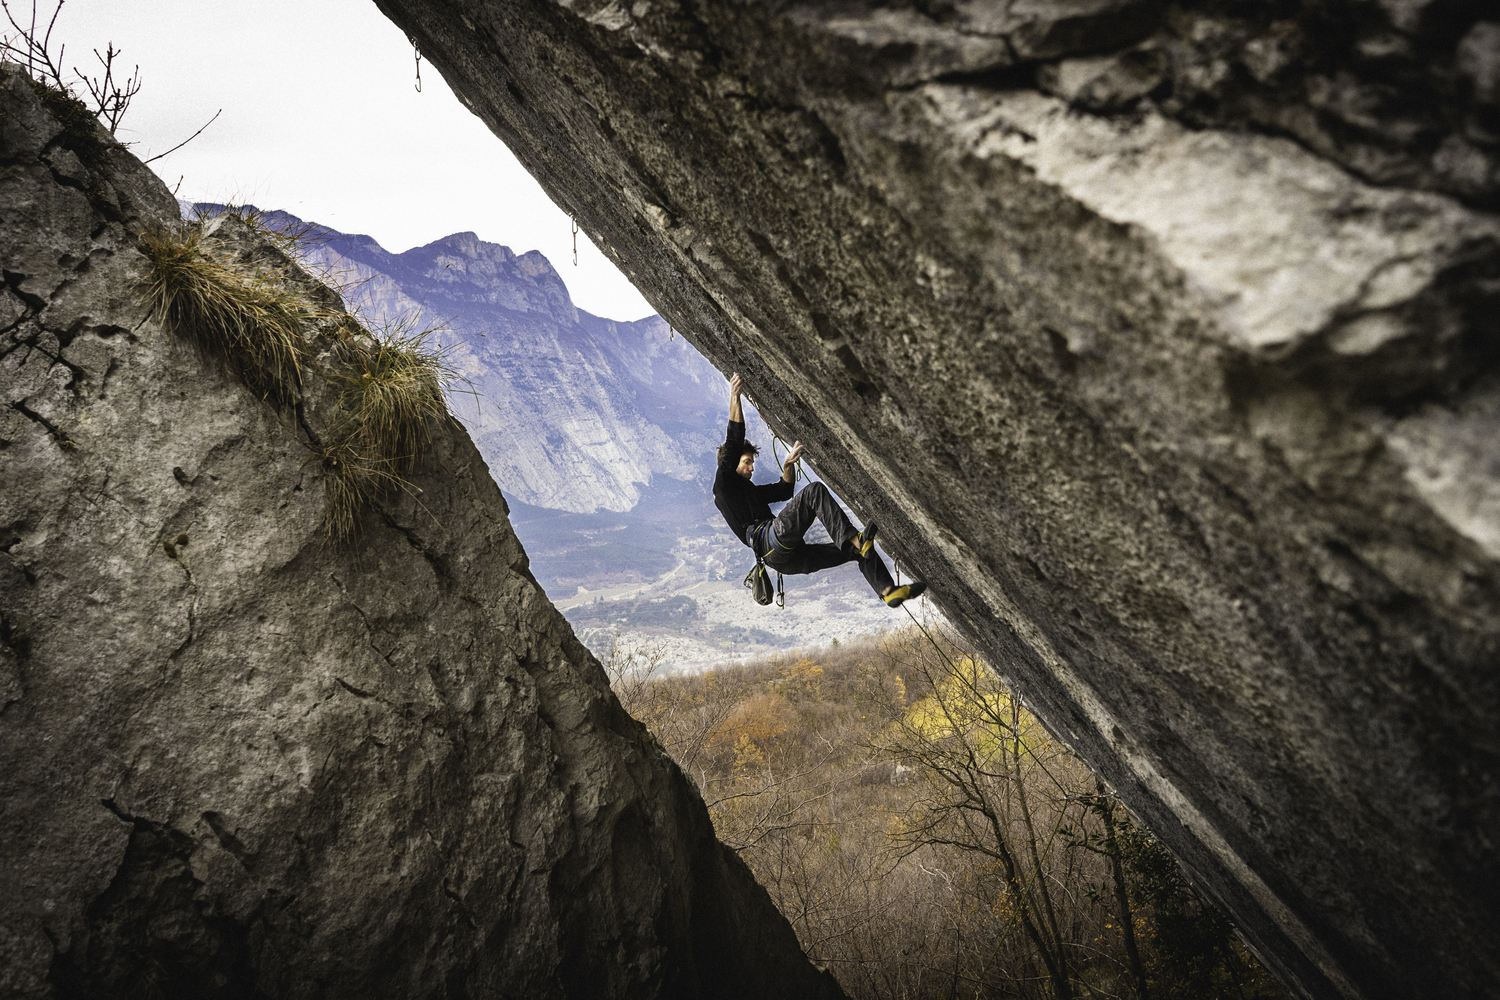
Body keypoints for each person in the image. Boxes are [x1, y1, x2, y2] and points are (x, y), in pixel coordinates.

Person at [713, 373, 926, 608]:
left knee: (855, 551)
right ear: (730, 464)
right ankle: (857, 540)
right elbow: (734, 440)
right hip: (771, 542)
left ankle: (888, 591)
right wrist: (735, 396)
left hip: (784, 559)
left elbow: (784, 491)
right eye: (746, 463)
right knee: (815, 493)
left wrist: (788, 465)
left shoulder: (746, 492)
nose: (752, 467)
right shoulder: (723, 484)